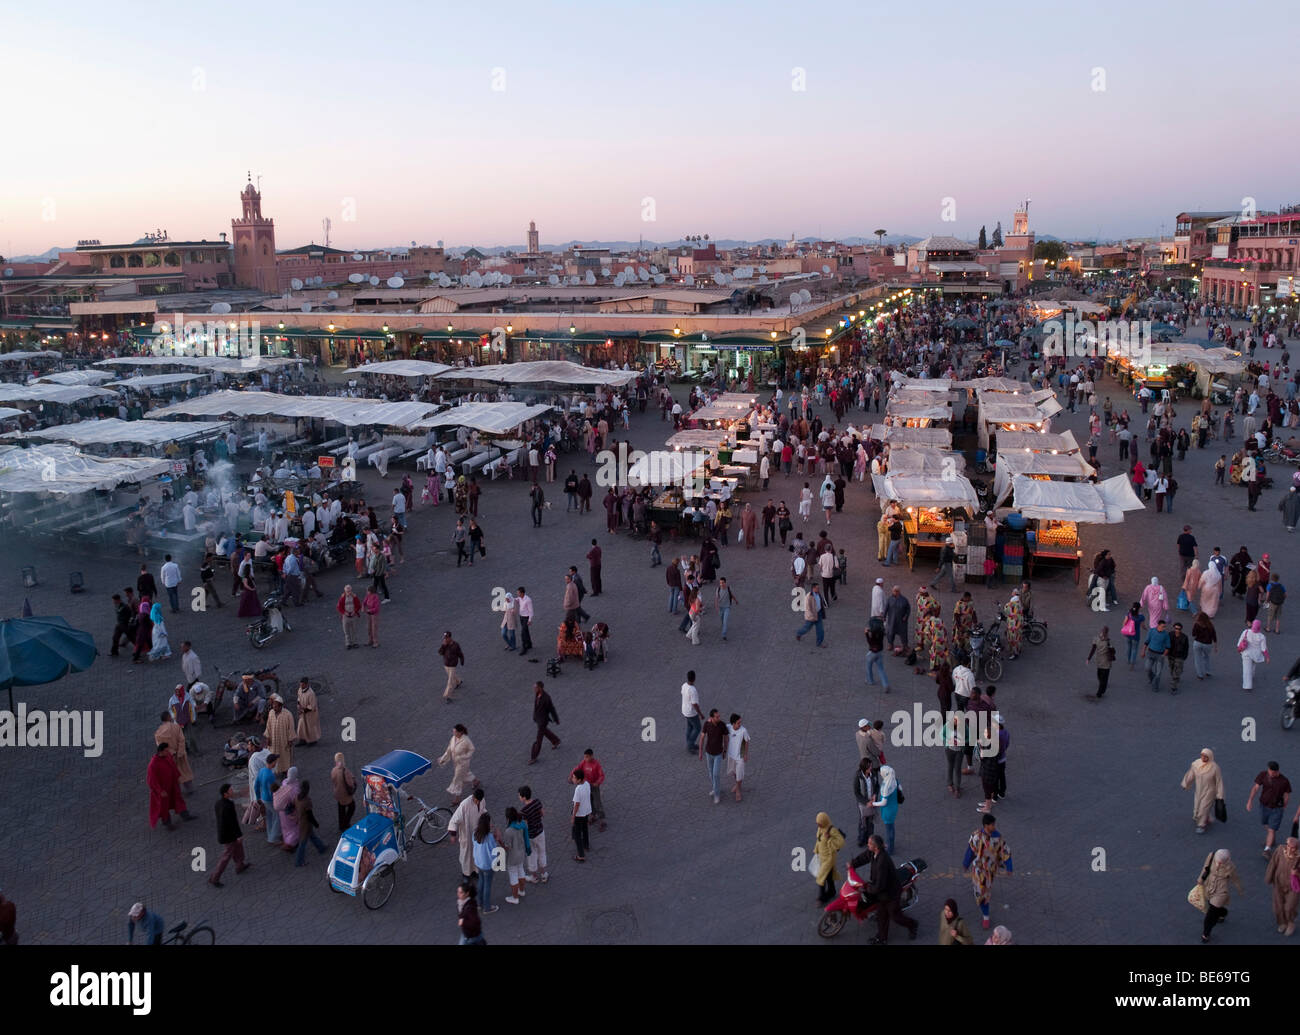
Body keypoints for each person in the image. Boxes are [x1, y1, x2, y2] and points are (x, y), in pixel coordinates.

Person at [855, 834, 917, 944]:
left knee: (895, 916)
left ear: (876, 847)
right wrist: (852, 864)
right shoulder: (873, 852)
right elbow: (864, 857)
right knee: (881, 916)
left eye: (869, 844)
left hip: (891, 894)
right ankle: (882, 939)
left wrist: (868, 888)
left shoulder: (882, 861)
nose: (867, 845)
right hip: (881, 893)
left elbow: (880, 885)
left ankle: (913, 925)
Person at [963, 812, 1013, 930]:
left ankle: (981, 894)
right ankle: (986, 916)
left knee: (984, 889)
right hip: (979, 870)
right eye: (992, 824)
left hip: (990, 870)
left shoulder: (997, 837)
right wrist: (966, 863)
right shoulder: (976, 836)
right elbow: (970, 850)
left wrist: (1009, 867)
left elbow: (1004, 852)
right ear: (986, 825)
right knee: (982, 893)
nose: (994, 826)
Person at [1196, 849, 1244, 942]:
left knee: (1210, 915)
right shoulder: (1211, 856)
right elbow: (1205, 867)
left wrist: (1240, 890)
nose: (1218, 863)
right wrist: (1200, 879)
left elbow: (1236, 879)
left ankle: (1206, 934)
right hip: (1209, 886)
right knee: (1212, 905)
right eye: (1217, 861)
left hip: (1221, 892)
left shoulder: (1230, 867)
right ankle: (1223, 913)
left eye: (1221, 862)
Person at [1246, 762, 1293, 856]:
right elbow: (1255, 788)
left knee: (1271, 829)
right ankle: (1271, 839)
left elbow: (1287, 795)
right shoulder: (1263, 775)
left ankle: (1267, 849)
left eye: (1271, 772)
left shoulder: (1284, 781)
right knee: (1266, 824)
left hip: (1276, 808)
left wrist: (1284, 806)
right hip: (1264, 805)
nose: (1269, 774)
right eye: (1269, 771)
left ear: (1277, 771)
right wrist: (1250, 801)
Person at [147, 742, 192, 830]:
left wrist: (177, 777)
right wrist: (160, 791)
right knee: (164, 806)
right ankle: (167, 823)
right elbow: (152, 780)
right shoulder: (153, 764)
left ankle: (185, 815)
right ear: (161, 751)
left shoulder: (167, 756)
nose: (168, 752)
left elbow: (173, 767)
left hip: (173, 785)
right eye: (166, 750)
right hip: (164, 789)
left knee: (178, 799)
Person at [1182, 747, 1225, 834]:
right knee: (1197, 805)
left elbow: (1219, 782)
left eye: (1206, 756)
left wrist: (1220, 795)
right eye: (1202, 756)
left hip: (1210, 791)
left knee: (1204, 807)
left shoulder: (1214, 768)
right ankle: (1207, 817)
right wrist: (1186, 783)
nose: (1203, 758)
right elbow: (1191, 774)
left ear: (1210, 757)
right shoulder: (1196, 764)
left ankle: (1201, 825)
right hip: (1199, 790)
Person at [1264, 836, 1300, 936]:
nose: (1289, 848)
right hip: (1279, 883)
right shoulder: (1280, 850)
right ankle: (1282, 923)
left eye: (1292, 847)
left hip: (1293, 887)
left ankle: (1291, 923)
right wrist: (1269, 877)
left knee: (1289, 907)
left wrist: (1296, 873)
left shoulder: (1298, 857)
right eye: (1288, 845)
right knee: (1278, 906)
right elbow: (1273, 863)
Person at [449, 787, 485, 880]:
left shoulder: (482, 800)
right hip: (467, 834)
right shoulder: (464, 805)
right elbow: (454, 820)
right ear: (473, 797)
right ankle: (466, 874)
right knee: (467, 854)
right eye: (476, 801)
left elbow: (483, 810)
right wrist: (453, 834)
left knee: (476, 853)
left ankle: (476, 871)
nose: (477, 803)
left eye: (479, 801)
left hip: (477, 833)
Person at [438, 724, 477, 804]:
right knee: (465, 774)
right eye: (453, 731)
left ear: (461, 732)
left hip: (463, 763)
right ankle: (475, 781)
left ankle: (457, 798)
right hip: (456, 762)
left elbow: (472, 749)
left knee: (457, 779)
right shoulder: (453, 738)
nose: (454, 733)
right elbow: (449, 750)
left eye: (455, 732)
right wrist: (443, 759)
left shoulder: (466, 740)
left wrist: (465, 756)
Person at [813, 812, 845, 905]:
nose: (818, 824)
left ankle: (821, 897)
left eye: (819, 822)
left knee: (821, 876)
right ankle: (832, 891)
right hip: (822, 857)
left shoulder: (832, 830)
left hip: (829, 858)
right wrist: (816, 850)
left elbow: (841, 842)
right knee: (828, 876)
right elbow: (819, 840)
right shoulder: (820, 828)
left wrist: (829, 839)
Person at [699, 709, 728, 804]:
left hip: (718, 754)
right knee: (711, 774)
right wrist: (700, 752)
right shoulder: (707, 724)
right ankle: (716, 788)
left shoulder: (722, 725)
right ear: (711, 718)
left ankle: (717, 794)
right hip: (708, 753)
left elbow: (726, 738)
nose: (719, 718)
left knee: (716, 774)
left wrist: (725, 750)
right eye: (717, 717)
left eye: (719, 716)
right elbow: (702, 738)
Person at [472, 814, 500, 912]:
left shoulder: (475, 833)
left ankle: (479, 903)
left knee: (481, 881)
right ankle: (487, 907)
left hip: (479, 863)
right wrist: (497, 838)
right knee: (487, 884)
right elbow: (494, 851)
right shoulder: (490, 837)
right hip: (488, 865)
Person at [529, 681, 561, 762]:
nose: (534, 689)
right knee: (544, 731)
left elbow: (552, 709)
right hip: (538, 719)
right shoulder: (537, 694)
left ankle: (534, 756)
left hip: (543, 721)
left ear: (540, 688)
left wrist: (556, 719)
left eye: (535, 687)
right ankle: (556, 740)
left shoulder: (546, 698)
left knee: (538, 739)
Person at [873, 764, 901, 854]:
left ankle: (889, 849)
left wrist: (873, 804)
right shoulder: (894, 780)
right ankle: (891, 845)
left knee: (888, 830)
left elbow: (883, 802)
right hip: (894, 807)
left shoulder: (886, 787)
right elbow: (900, 788)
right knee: (891, 828)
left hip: (887, 810)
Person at [1237, 619, 1270, 690]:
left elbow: (1240, 641)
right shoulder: (1262, 637)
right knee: (1253, 665)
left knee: (1246, 669)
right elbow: (1264, 649)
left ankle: (1247, 685)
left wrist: (1239, 649)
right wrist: (1267, 657)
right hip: (1256, 655)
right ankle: (1251, 675)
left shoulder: (1246, 632)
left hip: (1246, 653)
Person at [331, 752, 357, 833]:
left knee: (341, 809)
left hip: (337, 793)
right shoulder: (345, 771)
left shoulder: (334, 770)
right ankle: (346, 822)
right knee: (352, 807)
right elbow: (350, 783)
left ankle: (341, 825)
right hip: (345, 794)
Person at [1087, 625, 1115, 698]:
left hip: (1101, 662)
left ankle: (1099, 691)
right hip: (1104, 662)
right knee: (1103, 677)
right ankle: (1102, 688)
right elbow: (1113, 651)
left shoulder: (1103, 640)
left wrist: (1088, 658)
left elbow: (1093, 649)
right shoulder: (1106, 641)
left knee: (1100, 676)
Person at [570, 767, 592, 862]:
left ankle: (581, 855)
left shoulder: (578, 789)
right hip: (586, 811)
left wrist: (573, 816)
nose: (572, 779)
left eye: (574, 778)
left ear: (579, 779)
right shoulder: (587, 784)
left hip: (579, 814)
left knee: (577, 834)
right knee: (585, 829)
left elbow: (577, 804)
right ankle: (586, 845)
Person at [439, 630, 465, 702]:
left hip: (453, 665)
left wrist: (462, 660)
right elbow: (440, 653)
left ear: (450, 637)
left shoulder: (456, 645)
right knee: (452, 676)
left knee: (450, 681)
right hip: (446, 665)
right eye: (444, 638)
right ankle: (458, 681)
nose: (445, 639)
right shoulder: (444, 645)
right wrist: (443, 646)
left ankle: (448, 695)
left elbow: (460, 653)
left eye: (446, 638)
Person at [681, 670, 703, 753]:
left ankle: (690, 743)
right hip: (691, 713)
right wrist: (700, 714)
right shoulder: (693, 690)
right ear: (694, 678)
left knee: (690, 727)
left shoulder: (684, 685)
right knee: (697, 728)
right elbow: (694, 704)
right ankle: (690, 745)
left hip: (685, 710)